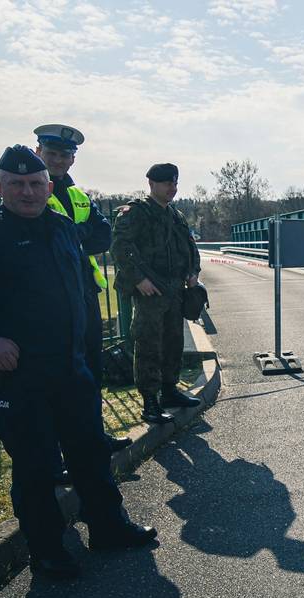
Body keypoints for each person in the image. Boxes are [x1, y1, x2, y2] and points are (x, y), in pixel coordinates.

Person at [0, 145, 158, 580]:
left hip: (72, 369)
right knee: (36, 467)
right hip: (18, 376)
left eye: (34, 184)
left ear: (48, 187)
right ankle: (47, 552)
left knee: (89, 455)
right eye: (16, 184)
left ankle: (108, 528)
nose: (27, 192)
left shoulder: (63, 227)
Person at [34, 123, 132, 470]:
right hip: (51, 300)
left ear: (72, 160)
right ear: (38, 153)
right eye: (52, 153)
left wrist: (76, 235)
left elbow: (103, 236)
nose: (59, 160)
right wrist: (79, 234)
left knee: (90, 371)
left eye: (65, 155)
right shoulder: (31, 190)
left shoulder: (77, 195)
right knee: (56, 376)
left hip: (85, 296)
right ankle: (57, 453)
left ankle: (93, 436)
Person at [110, 163, 201, 424]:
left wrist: (193, 271)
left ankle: (169, 390)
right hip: (150, 291)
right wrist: (139, 280)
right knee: (148, 344)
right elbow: (120, 248)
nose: (172, 188)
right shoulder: (136, 212)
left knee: (173, 342)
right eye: (166, 183)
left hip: (174, 289)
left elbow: (190, 248)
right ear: (151, 184)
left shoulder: (176, 216)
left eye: (174, 183)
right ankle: (150, 401)